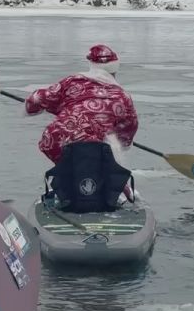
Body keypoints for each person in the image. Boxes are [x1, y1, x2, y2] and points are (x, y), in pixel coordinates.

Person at [26, 45, 139, 208]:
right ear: (114, 70)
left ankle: (67, 189)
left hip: (56, 138)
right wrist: (124, 142)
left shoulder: (71, 81)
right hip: (92, 144)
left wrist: (31, 107)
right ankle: (118, 190)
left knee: (74, 161)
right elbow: (129, 126)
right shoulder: (122, 95)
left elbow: (39, 99)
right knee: (100, 156)